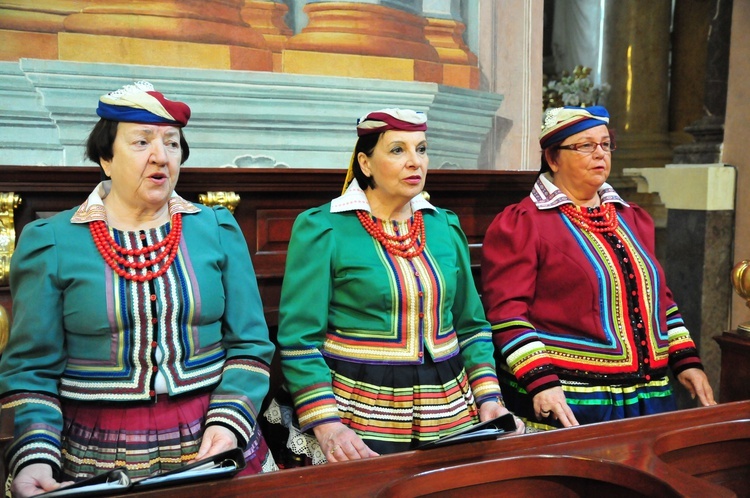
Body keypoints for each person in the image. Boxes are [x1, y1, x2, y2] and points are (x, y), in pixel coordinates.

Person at [0, 81, 277, 497]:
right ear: (106, 158)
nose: (160, 156)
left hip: (214, 436)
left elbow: (251, 344)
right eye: (141, 141)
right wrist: (36, 452)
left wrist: (230, 421)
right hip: (97, 449)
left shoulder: (216, 229)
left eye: (172, 143)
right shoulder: (51, 242)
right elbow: (30, 369)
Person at [264, 108, 523, 465]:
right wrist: (327, 424)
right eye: (398, 150)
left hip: (452, 412)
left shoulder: (445, 226)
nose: (415, 162)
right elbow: (299, 341)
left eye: (421, 149)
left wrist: (489, 398)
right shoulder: (324, 228)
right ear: (365, 164)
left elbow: (472, 327)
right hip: (356, 417)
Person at [480, 105, 716, 431]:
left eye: (605, 144)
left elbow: (660, 301)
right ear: (552, 158)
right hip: (572, 403)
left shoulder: (631, 217)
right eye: (586, 145)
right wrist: (540, 381)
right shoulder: (524, 223)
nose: (600, 154)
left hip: (651, 397)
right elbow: (506, 314)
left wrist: (685, 361)